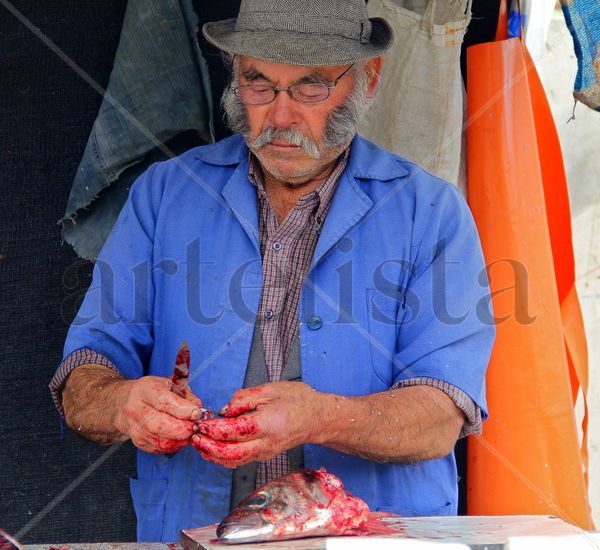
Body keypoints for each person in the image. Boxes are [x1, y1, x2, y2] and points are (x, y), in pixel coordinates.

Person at [50, 0, 495, 542]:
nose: (281, 116)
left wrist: (321, 417)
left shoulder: (430, 212)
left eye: (310, 87)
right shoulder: (164, 194)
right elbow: (84, 375)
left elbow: (441, 415)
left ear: (368, 79)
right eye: (258, 83)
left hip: (372, 539)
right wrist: (123, 405)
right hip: (192, 531)